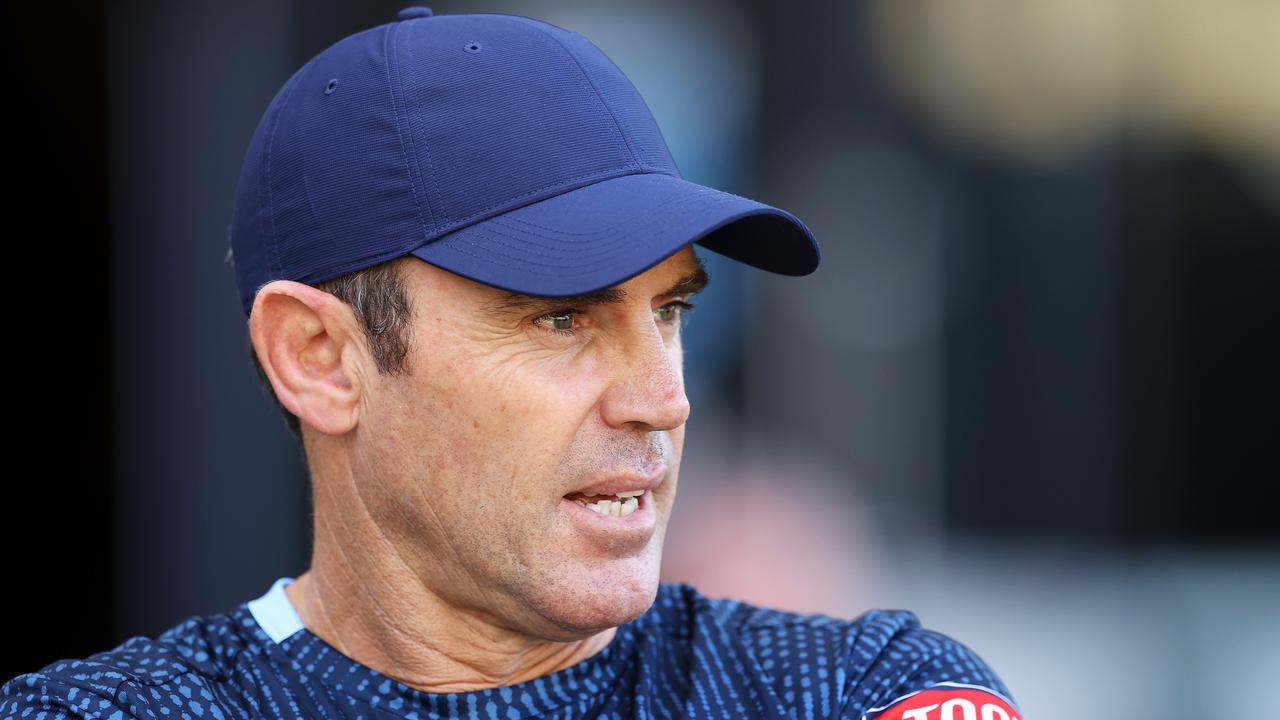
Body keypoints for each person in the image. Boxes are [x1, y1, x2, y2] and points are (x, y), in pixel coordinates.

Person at [1, 7, 1020, 719]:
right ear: (318, 358)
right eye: (560, 320)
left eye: (667, 311)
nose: (661, 399)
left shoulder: (858, 690)